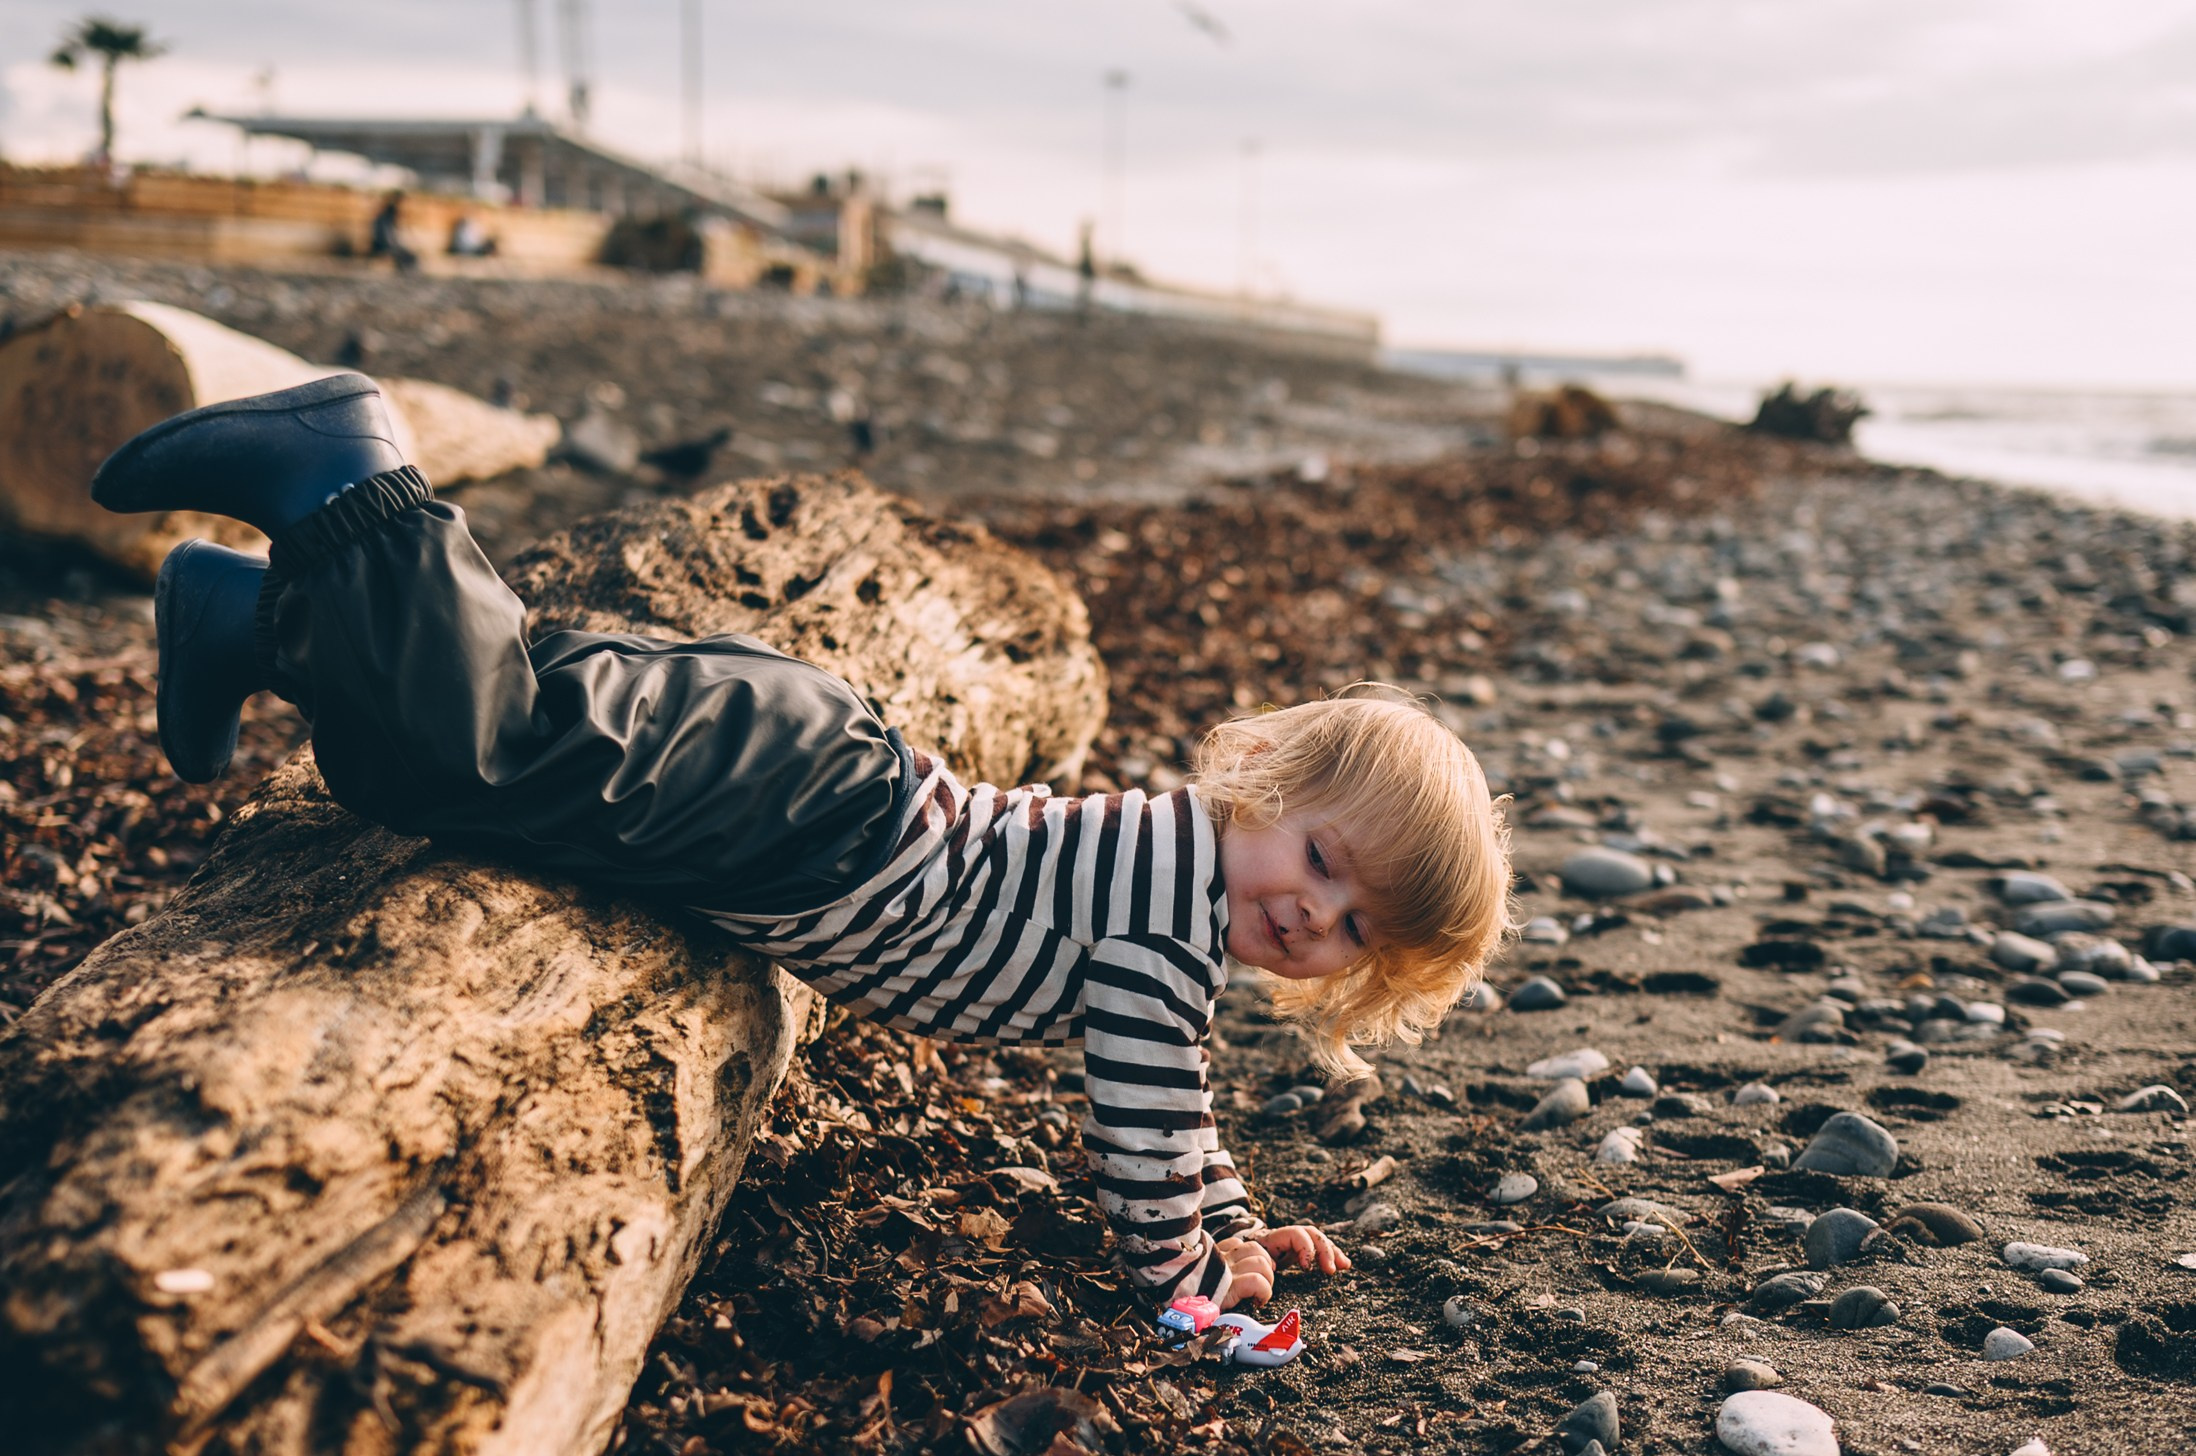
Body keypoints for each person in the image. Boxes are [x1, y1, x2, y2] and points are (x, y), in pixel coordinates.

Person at [90, 375, 1513, 1311]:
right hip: (805, 814)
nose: (1311, 922)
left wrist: (1242, 1223)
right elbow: (1144, 1136)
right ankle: (354, 477)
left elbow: (1181, 1102)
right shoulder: (1166, 930)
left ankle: (248, 621)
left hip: (819, 774)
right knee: (470, 755)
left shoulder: (1177, 908)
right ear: (1266, 780)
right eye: (1322, 865)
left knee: (523, 701)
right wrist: (1192, 1276)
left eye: (1353, 932)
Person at [369, 191, 417, 273]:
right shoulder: (384, 219)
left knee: (410, 257)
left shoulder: (386, 218)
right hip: (383, 247)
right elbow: (386, 239)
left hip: (388, 246)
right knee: (409, 258)